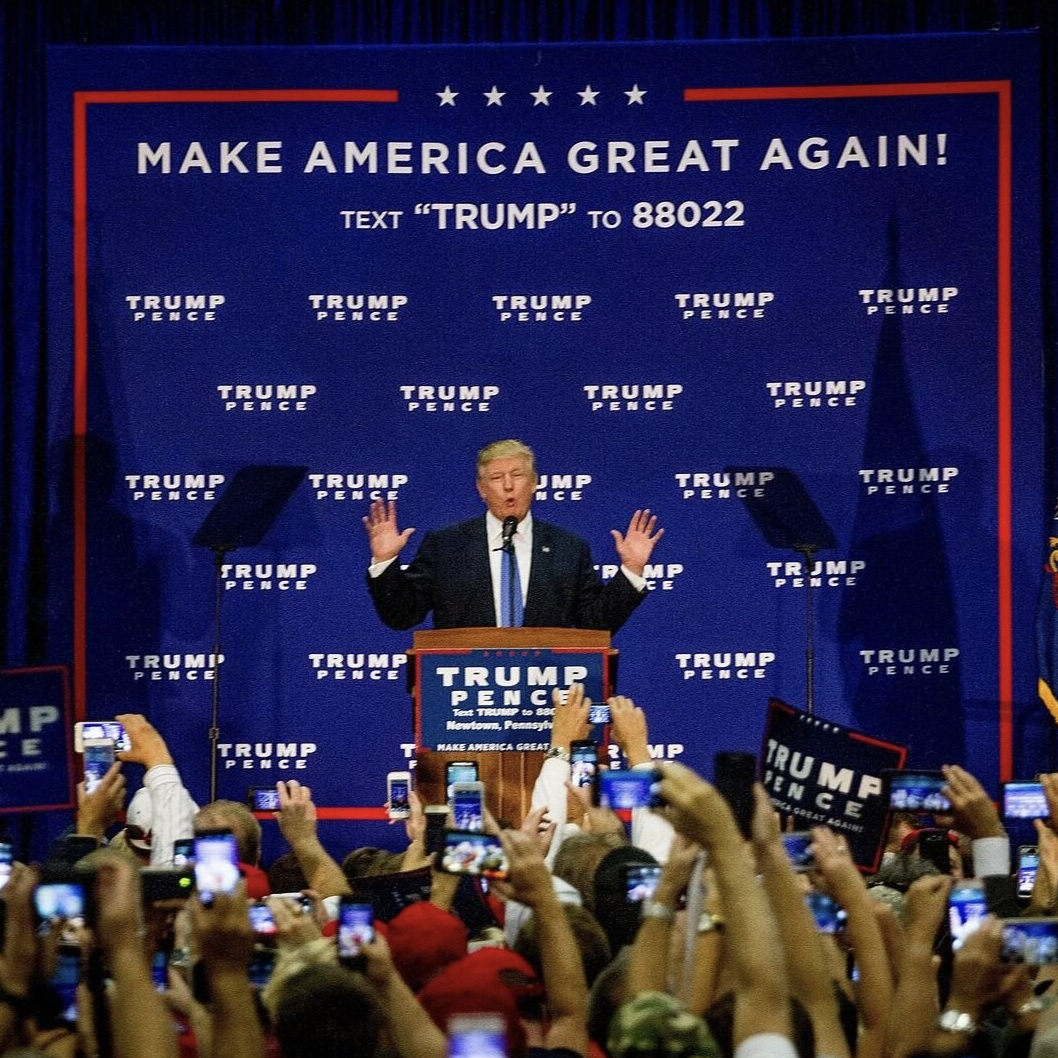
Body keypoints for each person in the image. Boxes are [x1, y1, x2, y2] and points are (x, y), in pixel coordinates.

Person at [363, 439, 663, 633]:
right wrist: (385, 562)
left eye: (517, 476)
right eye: (496, 478)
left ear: (534, 484)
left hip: (546, 697)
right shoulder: (446, 546)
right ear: (481, 490)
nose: (508, 486)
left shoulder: (568, 548)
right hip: (463, 704)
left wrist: (632, 572)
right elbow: (401, 616)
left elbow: (595, 625)